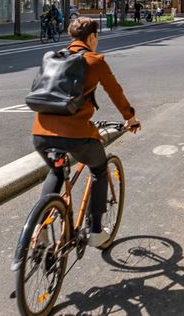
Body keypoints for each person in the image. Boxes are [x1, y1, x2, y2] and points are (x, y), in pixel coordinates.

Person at [32, 17, 140, 247]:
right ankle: (96, 231)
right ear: (91, 37)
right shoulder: (95, 61)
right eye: (97, 37)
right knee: (100, 170)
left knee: (56, 172)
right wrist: (130, 118)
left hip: (41, 134)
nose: (97, 41)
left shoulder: (52, 58)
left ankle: (40, 226)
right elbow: (115, 92)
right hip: (76, 134)